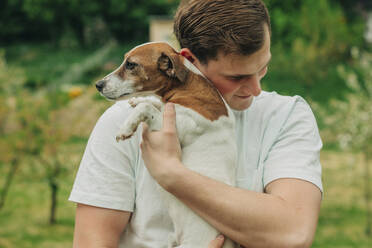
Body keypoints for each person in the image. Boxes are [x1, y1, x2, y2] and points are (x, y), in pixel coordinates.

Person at [69, 0, 323, 247]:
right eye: (237, 77)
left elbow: (294, 234)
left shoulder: (285, 116)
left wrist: (172, 174)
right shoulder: (124, 120)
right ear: (188, 60)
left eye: (263, 67)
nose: (256, 89)